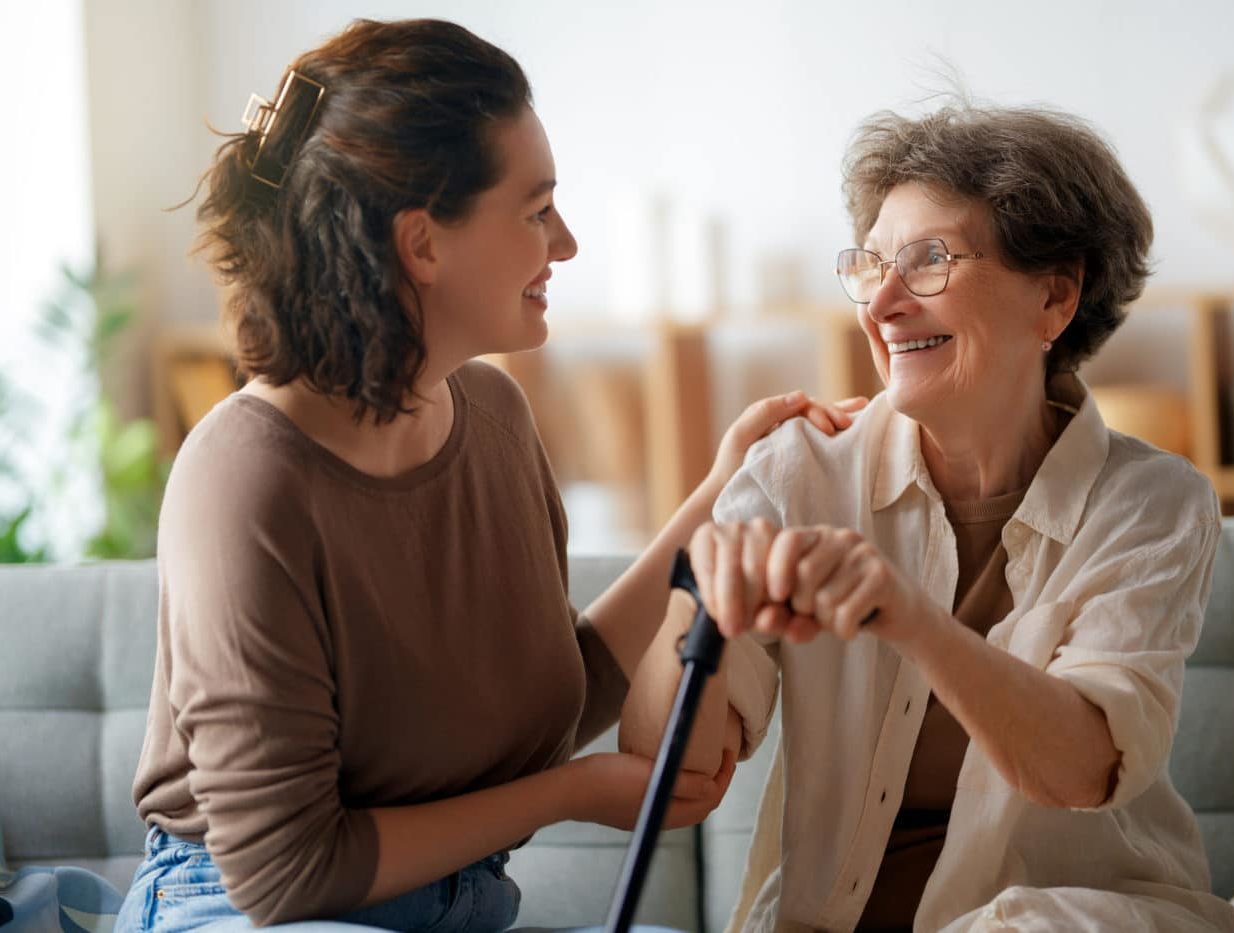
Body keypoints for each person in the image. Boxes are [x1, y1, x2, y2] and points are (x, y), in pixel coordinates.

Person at [114, 18, 863, 933]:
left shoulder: (496, 417)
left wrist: (723, 487)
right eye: (536, 209)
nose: (568, 243)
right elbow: (286, 874)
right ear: (423, 244)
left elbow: (553, 694)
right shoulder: (243, 479)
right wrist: (571, 793)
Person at [621, 102, 1234, 932]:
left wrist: (912, 619)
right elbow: (669, 773)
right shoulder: (796, 475)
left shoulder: (1154, 505)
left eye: (929, 261)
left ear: (1055, 298)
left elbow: (1086, 766)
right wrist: (698, 596)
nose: (882, 303)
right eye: (870, 266)